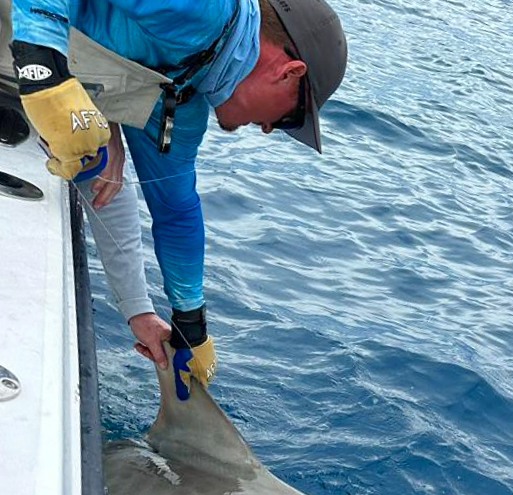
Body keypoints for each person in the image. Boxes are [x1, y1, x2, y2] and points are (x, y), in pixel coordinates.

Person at [5, 0, 347, 398]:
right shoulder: (206, 11)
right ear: (290, 72)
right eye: (290, 118)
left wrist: (189, 325)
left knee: (95, 157)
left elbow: (175, 211)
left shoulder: (184, 94)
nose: (270, 129)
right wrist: (44, 73)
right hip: (17, 48)